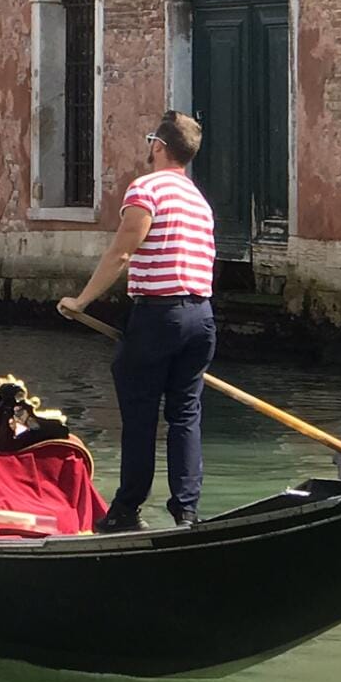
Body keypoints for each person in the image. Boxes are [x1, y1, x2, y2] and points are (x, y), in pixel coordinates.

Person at [58, 110, 217, 532]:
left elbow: (122, 252)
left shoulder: (147, 188)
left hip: (158, 316)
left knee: (141, 414)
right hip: (201, 318)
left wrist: (81, 301)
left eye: (152, 141)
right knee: (185, 415)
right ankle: (186, 512)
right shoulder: (199, 201)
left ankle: (127, 510)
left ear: (159, 146)